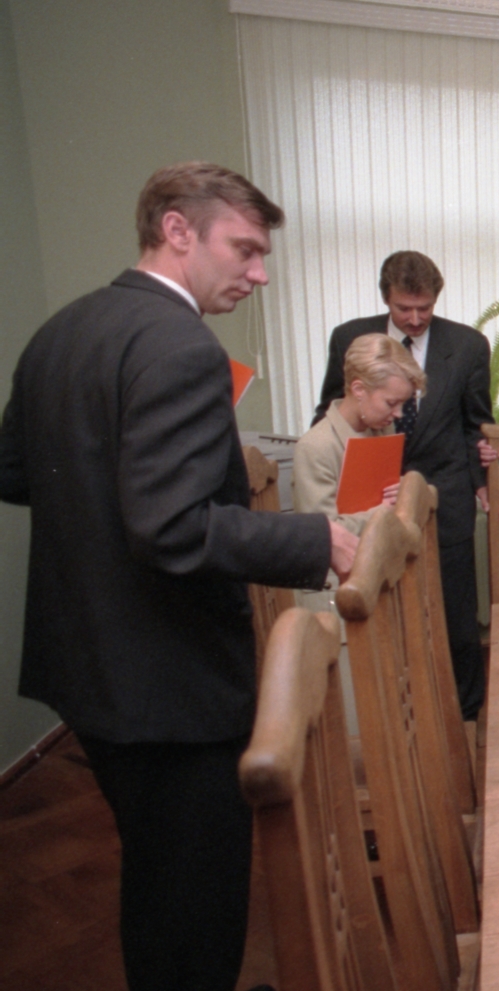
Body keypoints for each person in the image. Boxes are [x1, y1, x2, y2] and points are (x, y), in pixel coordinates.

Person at [0, 162, 356, 991]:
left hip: (86, 665)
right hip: (167, 678)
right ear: (176, 229)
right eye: (245, 249)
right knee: (195, 899)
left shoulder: (62, 329)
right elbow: (171, 527)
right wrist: (312, 537)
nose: (259, 274)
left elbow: (15, 472)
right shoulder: (182, 344)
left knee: (158, 873)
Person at [313, 251, 492, 720]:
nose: (414, 319)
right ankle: (406, 718)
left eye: (424, 308)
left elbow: (476, 423)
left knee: (456, 620)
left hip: (445, 497)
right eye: (403, 308)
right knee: (390, 619)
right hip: (371, 499)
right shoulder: (350, 338)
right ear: (385, 299)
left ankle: (467, 716)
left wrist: (482, 481)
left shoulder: (468, 345)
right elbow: (329, 412)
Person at [293, 334, 425, 534]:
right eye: (391, 403)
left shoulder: (383, 429)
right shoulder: (315, 448)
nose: (399, 414)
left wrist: (403, 493)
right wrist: (382, 512)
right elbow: (321, 533)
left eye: (403, 404)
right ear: (359, 389)